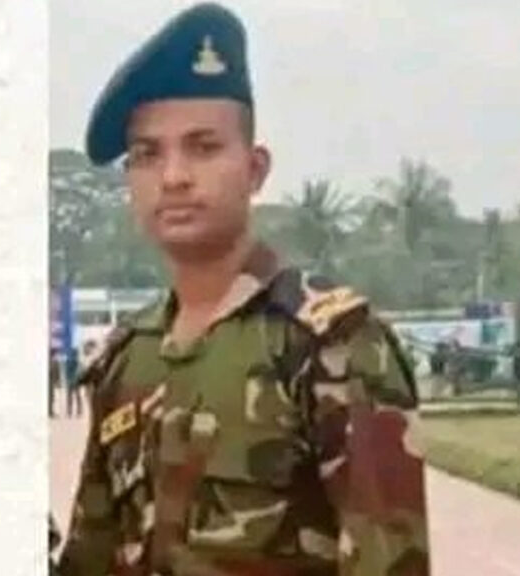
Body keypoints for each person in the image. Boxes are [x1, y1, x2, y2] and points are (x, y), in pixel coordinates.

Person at [54, 5, 430, 575]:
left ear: (255, 170)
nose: (174, 177)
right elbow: (91, 557)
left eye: (203, 147)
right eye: (148, 154)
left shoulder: (330, 346)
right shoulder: (128, 357)